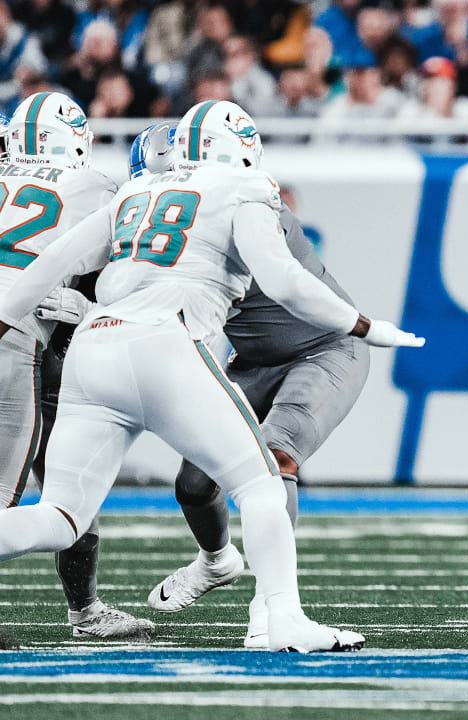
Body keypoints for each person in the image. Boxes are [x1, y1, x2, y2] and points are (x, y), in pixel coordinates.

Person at [0, 98, 423, 653]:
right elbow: (286, 281)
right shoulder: (244, 190)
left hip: (93, 346)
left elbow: (49, 265)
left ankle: (218, 569)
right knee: (262, 486)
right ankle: (284, 621)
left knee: (59, 515)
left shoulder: (131, 193)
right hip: (165, 341)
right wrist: (368, 326)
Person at [104, 122, 373, 650]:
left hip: (324, 351)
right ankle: (215, 561)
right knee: (194, 485)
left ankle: (273, 608)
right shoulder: (184, 212)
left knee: (276, 460)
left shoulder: (243, 202)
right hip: (251, 360)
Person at [0, 92, 154, 640]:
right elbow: (135, 276)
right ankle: (86, 612)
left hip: (43, 351)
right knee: (14, 493)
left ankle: (86, 609)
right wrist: (91, 309)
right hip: (19, 338)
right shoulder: (96, 187)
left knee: (69, 489)